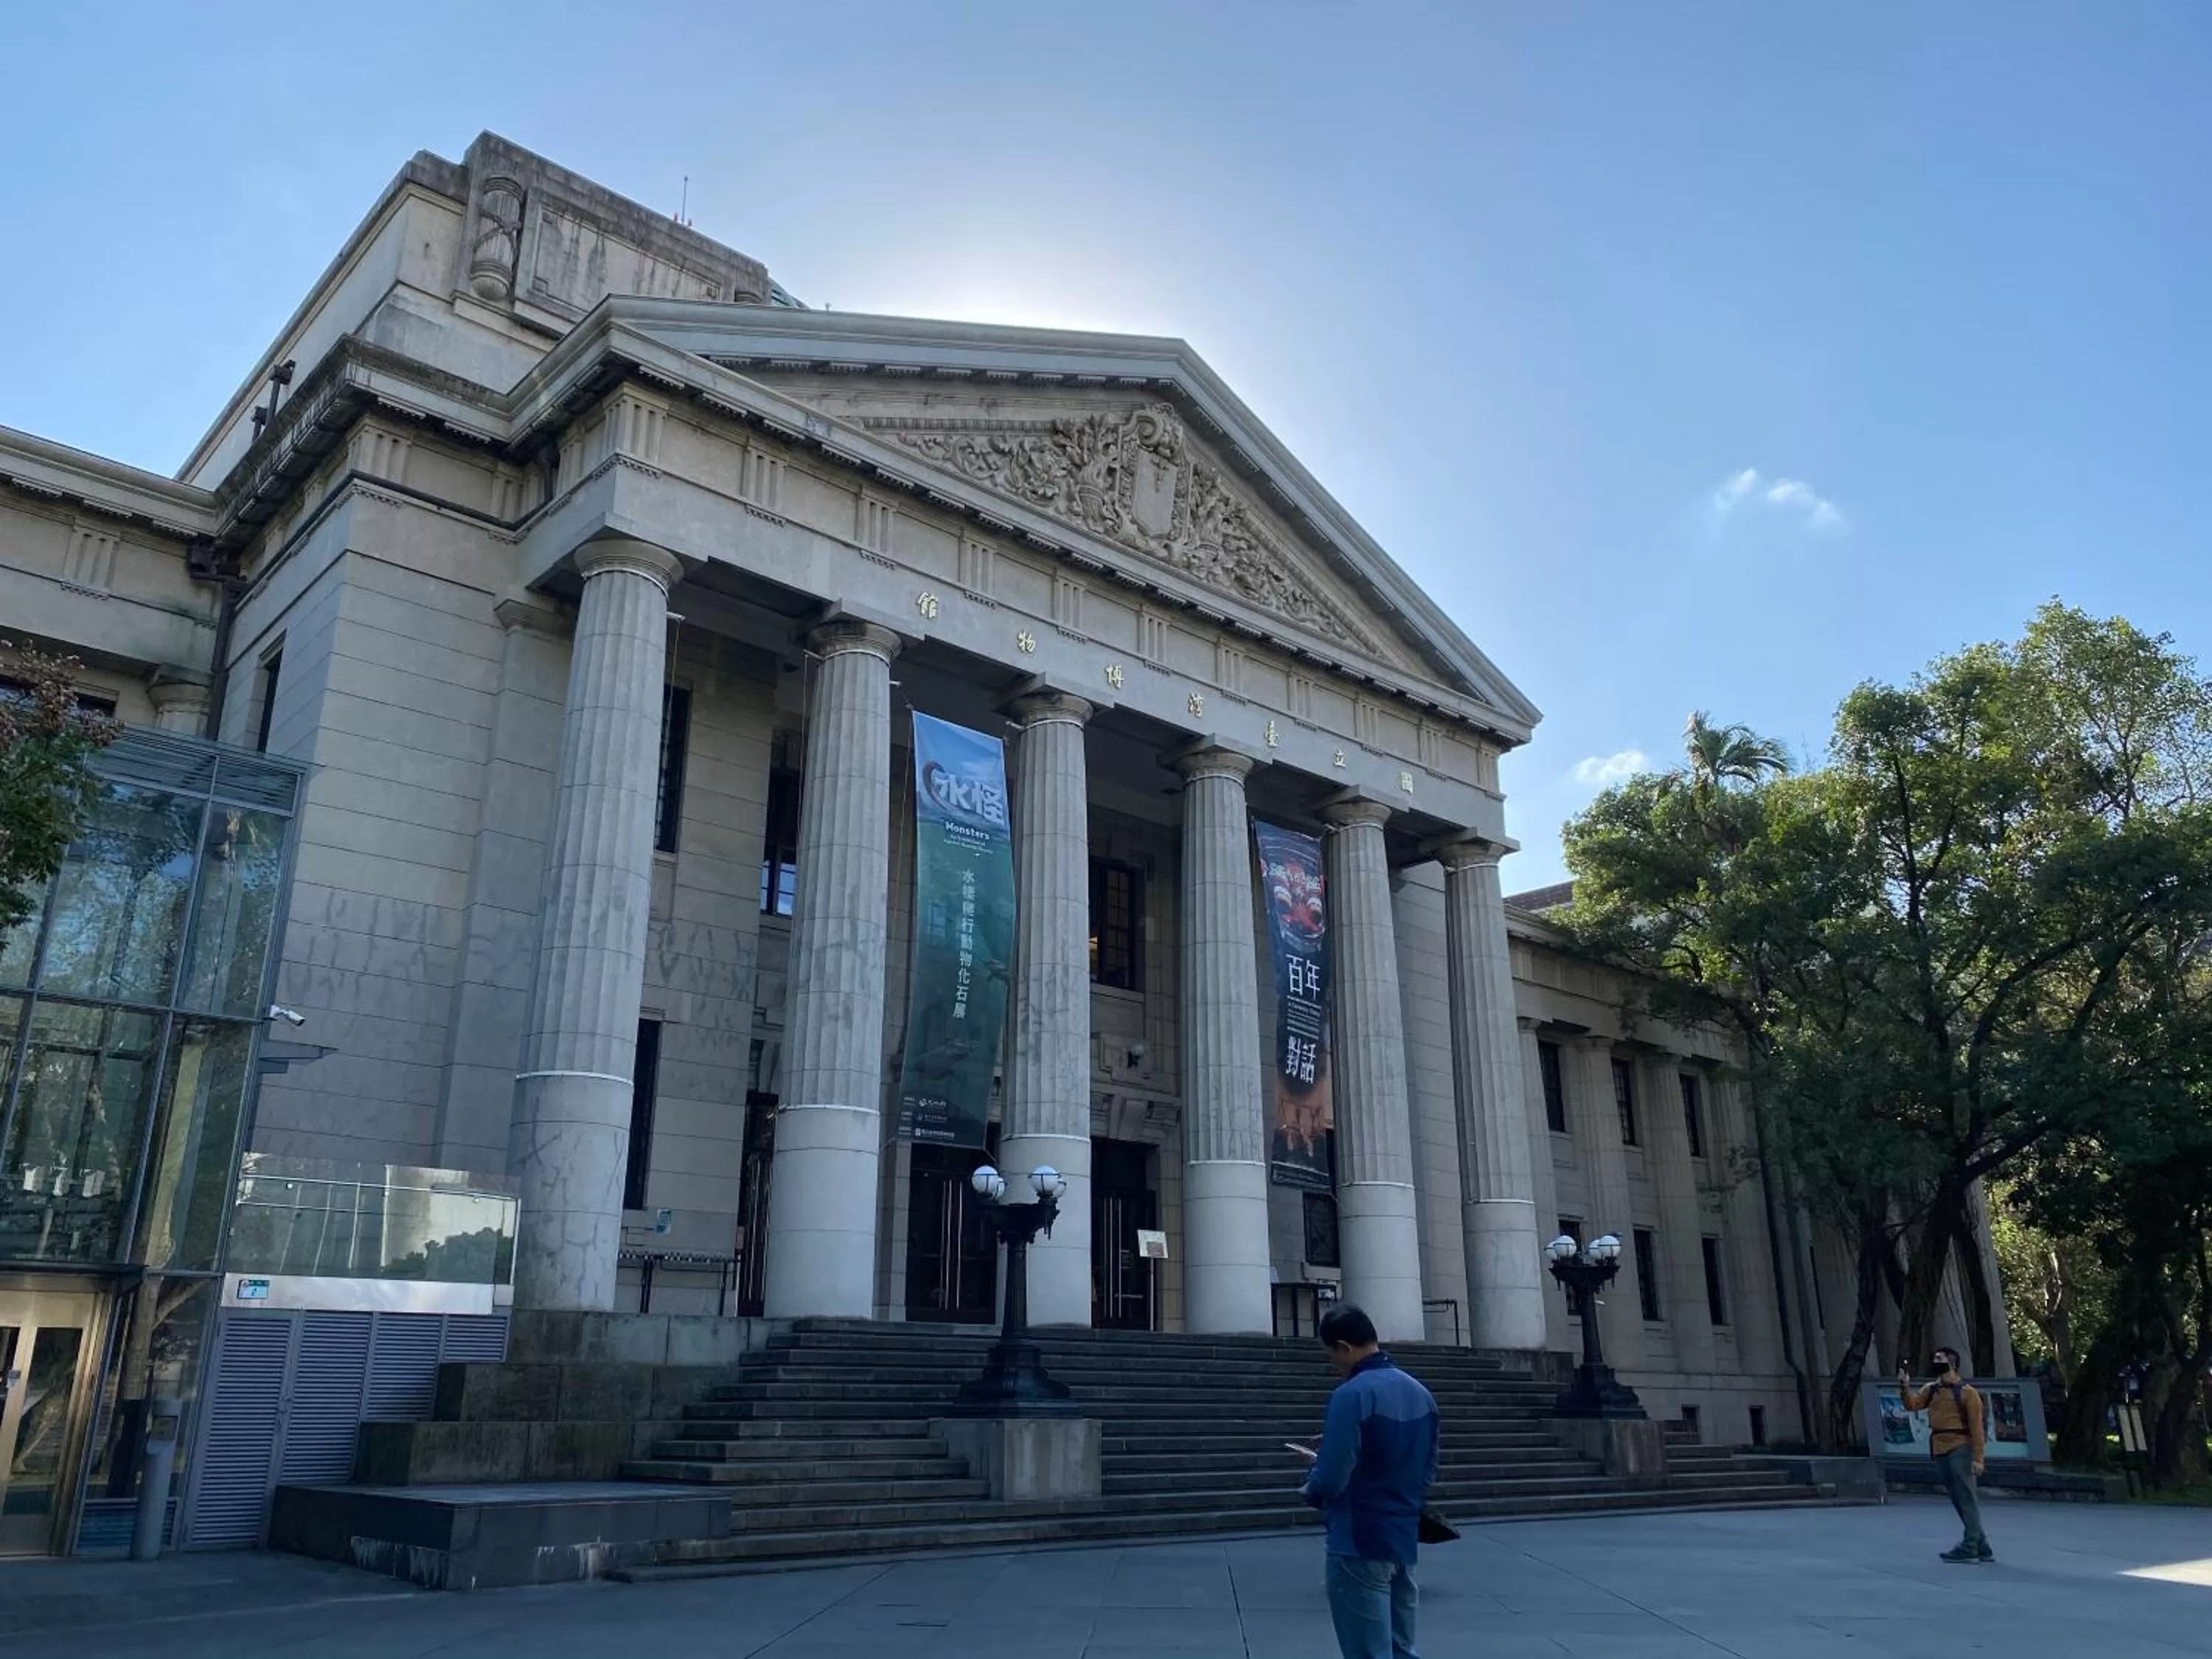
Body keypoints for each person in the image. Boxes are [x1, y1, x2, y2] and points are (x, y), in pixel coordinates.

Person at [1298, 1304, 1440, 1659]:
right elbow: (1426, 1469)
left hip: (1358, 1536)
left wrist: (1312, 1482)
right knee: (1400, 1648)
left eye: (1332, 1356)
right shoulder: (1420, 1392)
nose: (1334, 1366)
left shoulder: (1352, 1394)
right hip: (1401, 1534)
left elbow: (1329, 1480)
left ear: (1345, 1347)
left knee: (1365, 1650)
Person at [1900, 1346, 1992, 1563]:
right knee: (1958, 1499)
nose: (1935, 1361)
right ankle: (1981, 1545)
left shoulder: (1967, 1393)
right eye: (1935, 1358)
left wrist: (1978, 1458)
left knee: (1967, 1498)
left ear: (1952, 1364)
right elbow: (1912, 1405)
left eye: (1939, 1359)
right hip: (1939, 1447)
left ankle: (1970, 1547)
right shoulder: (1931, 1389)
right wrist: (1904, 1386)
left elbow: (1977, 1428)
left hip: (1960, 1446)